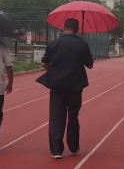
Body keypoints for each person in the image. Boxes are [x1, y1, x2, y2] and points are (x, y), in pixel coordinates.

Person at [38, 18, 94, 158]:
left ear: (64, 27)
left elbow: (44, 63)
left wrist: (54, 70)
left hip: (57, 85)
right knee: (73, 116)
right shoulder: (82, 44)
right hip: (75, 86)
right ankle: (73, 147)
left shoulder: (53, 43)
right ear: (77, 29)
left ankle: (56, 150)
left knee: (56, 116)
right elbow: (90, 65)